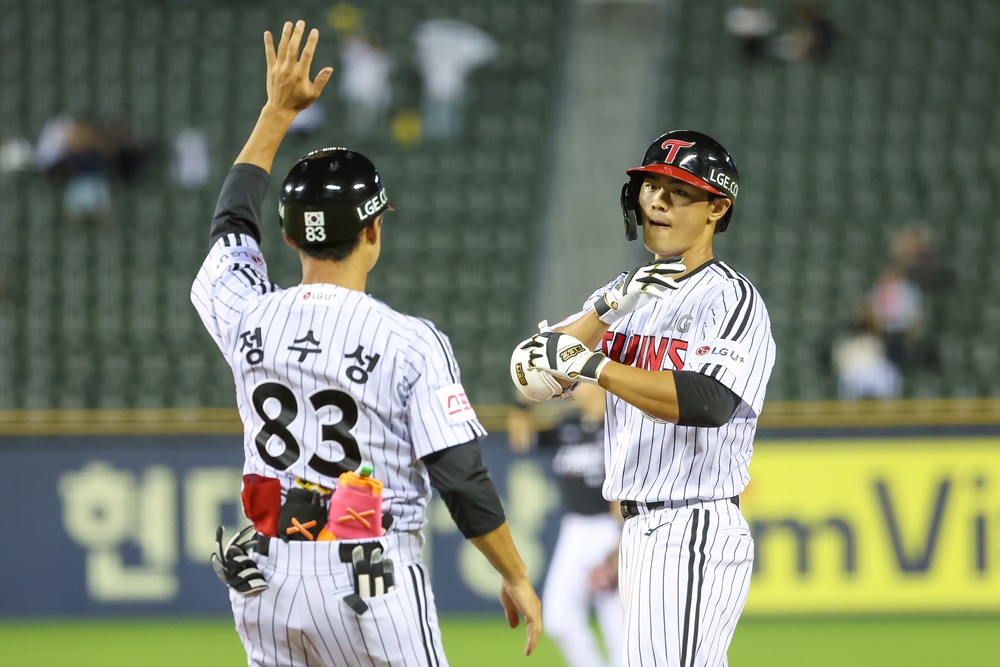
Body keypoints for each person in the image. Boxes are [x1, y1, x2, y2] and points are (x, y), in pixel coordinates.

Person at [191, 21, 541, 666]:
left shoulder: (247, 316)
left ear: (291, 239)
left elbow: (231, 228)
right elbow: (460, 478)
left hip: (264, 568)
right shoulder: (410, 343)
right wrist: (515, 570)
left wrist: (275, 115)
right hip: (366, 567)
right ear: (375, 230)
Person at [510, 131, 775, 666]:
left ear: (717, 207)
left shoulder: (731, 297)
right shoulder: (624, 293)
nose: (656, 199)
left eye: (678, 190)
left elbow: (708, 400)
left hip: (692, 523)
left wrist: (597, 366)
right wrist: (605, 310)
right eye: (651, 185)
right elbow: (527, 374)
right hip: (639, 528)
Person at [508, 383, 623, 667]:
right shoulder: (568, 425)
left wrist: (621, 543)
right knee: (559, 619)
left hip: (611, 529)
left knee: (619, 628)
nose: (575, 391)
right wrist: (523, 403)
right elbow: (523, 441)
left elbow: (627, 487)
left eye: (581, 385)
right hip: (575, 529)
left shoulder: (620, 426)